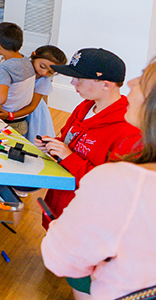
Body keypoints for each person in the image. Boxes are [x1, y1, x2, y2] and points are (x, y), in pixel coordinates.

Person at [42, 55, 156, 300]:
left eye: (143, 79)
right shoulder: (84, 107)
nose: (130, 83)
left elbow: (61, 258)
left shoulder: (122, 177)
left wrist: (69, 157)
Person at [36, 49, 141, 260]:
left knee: (75, 267)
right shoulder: (84, 107)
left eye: (79, 78)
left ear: (107, 84)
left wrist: (68, 156)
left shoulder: (128, 129)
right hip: (60, 200)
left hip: (85, 217)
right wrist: (53, 145)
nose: (73, 83)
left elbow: (110, 187)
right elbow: (68, 140)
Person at [25, 45, 68, 142]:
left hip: (33, 112)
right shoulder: (20, 66)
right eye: (42, 66)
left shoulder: (43, 81)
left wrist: (12, 115)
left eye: (50, 72)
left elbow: (33, 106)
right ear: (33, 55)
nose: (44, 73)